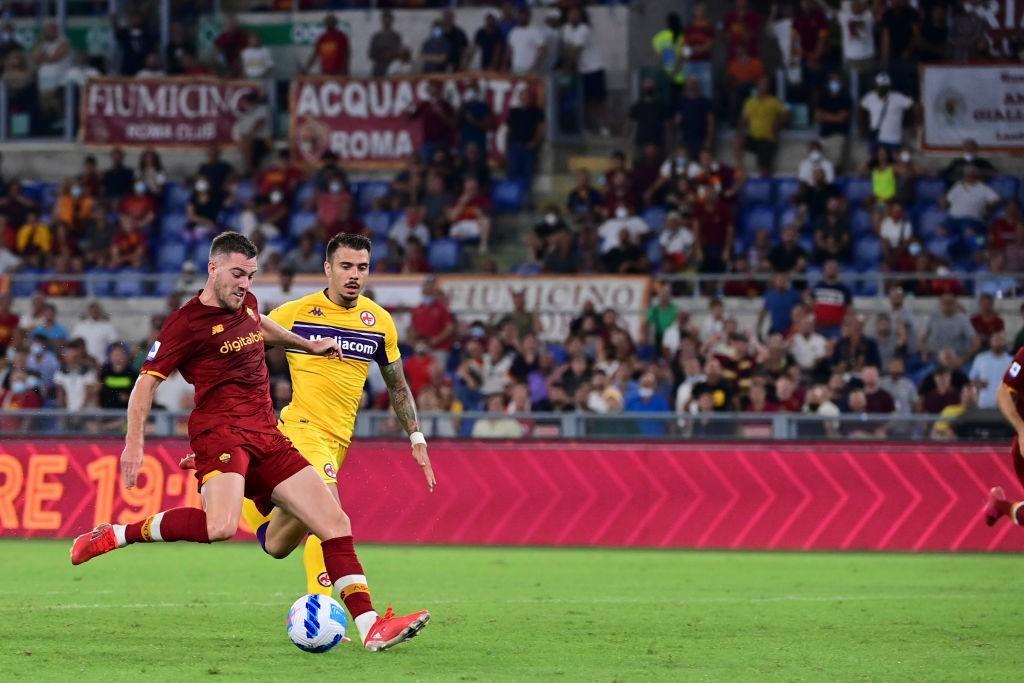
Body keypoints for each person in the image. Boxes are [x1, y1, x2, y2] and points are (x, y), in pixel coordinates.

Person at [69, 232, 431, 652]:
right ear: (214, 268)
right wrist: (134, 443)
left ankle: (371, 627)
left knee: (332, 523)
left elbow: (260, 326)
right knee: (220, 527)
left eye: (251, 276)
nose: (245, 284)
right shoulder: (184, 324)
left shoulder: (248, 304)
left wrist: (306, 345)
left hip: (266, 433)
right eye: (238, 274)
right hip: (221, 432)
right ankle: (117, 533)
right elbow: (144, 385)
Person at [562, 7, 608, 137]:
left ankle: (603, 126)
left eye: (576, 14)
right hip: (581, 70)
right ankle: (586, 127)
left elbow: (576, 51)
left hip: (594, 67)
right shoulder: (565, 29)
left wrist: (568, 70)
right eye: (571, 14)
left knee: (599, 101)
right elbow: (567, 50)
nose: (573, 17)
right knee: (585, 101)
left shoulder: (584, 29)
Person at [735, 76, 789, 176]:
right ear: (757, 85)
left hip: (767, 139)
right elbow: (743, 119)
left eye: (766, 84)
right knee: (738, 140)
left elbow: (787, 113)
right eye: (761, 83)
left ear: (769, 87)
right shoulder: (750, 102)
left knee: (764, 169)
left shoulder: (774, 101)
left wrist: (779, 123)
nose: (763, 86)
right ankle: (740, 168)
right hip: (754, 138)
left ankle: (765, 184)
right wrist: (740, 130)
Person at [859, 73, 915, 154]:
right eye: (881, 87)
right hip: (876, 139)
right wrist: (862, 127)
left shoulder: (898, 97)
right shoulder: (870, 97)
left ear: (889, 87)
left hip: (894, 140)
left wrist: (914, 125)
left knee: (896, 161)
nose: (882, 90)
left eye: (885, 87)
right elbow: (861, 108)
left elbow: (915, 106)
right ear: (876, 86)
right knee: (874, 162)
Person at [505, 85, 545, 193]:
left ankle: (525, 200)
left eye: (527, 96)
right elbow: (508, 130)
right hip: (514, 146)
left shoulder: (536, 111)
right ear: (520, 98)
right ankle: (513, 199)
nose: (525, 98)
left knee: (527, 175)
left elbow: (540, 129)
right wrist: (507, 146)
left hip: (528, 147)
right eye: (523, 96)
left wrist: (534, 142)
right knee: (512, 174)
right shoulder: (514, 112)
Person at [652, 12, 685, 104]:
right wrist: (675, 72)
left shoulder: (659, 37)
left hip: (665, 75)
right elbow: (685, 56)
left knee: (667, 103)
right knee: (679, 103)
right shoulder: (683, 36)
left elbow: (658, 57)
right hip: (681, 75)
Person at [507, 8, 546, 75]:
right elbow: (510, 49)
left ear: (529, 17)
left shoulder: (535, 31)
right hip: (515, 68)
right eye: (520, 16)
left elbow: (542, 49)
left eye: (524, 16)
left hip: (530, 69)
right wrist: (510, 63)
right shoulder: (514, 31)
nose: (522, 18)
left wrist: (535, 66)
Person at [368, 10, 402, 77]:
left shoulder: (395, 36)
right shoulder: (376, 37)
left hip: (391, 67)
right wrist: (380, 54)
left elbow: (398, 52)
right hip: (378, 67)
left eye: (388, 20)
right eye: (385, 20)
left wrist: (391, 54)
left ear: (391, 21)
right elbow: (371, 54)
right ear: (382, 21)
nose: (386, 22)